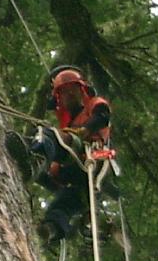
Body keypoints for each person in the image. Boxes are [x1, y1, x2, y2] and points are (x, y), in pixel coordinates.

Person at [30, 66, 112, 244]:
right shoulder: (67, 121)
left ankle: (34, 158)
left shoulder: (93, 105)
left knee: (48, 136)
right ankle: (50, 229)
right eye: (64, 93)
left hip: (89, 159)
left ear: (82, 90)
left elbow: (102, 116)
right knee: (63, 205)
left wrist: (84, 130)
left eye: (73, 90)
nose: (70, 95)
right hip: (73, 179)